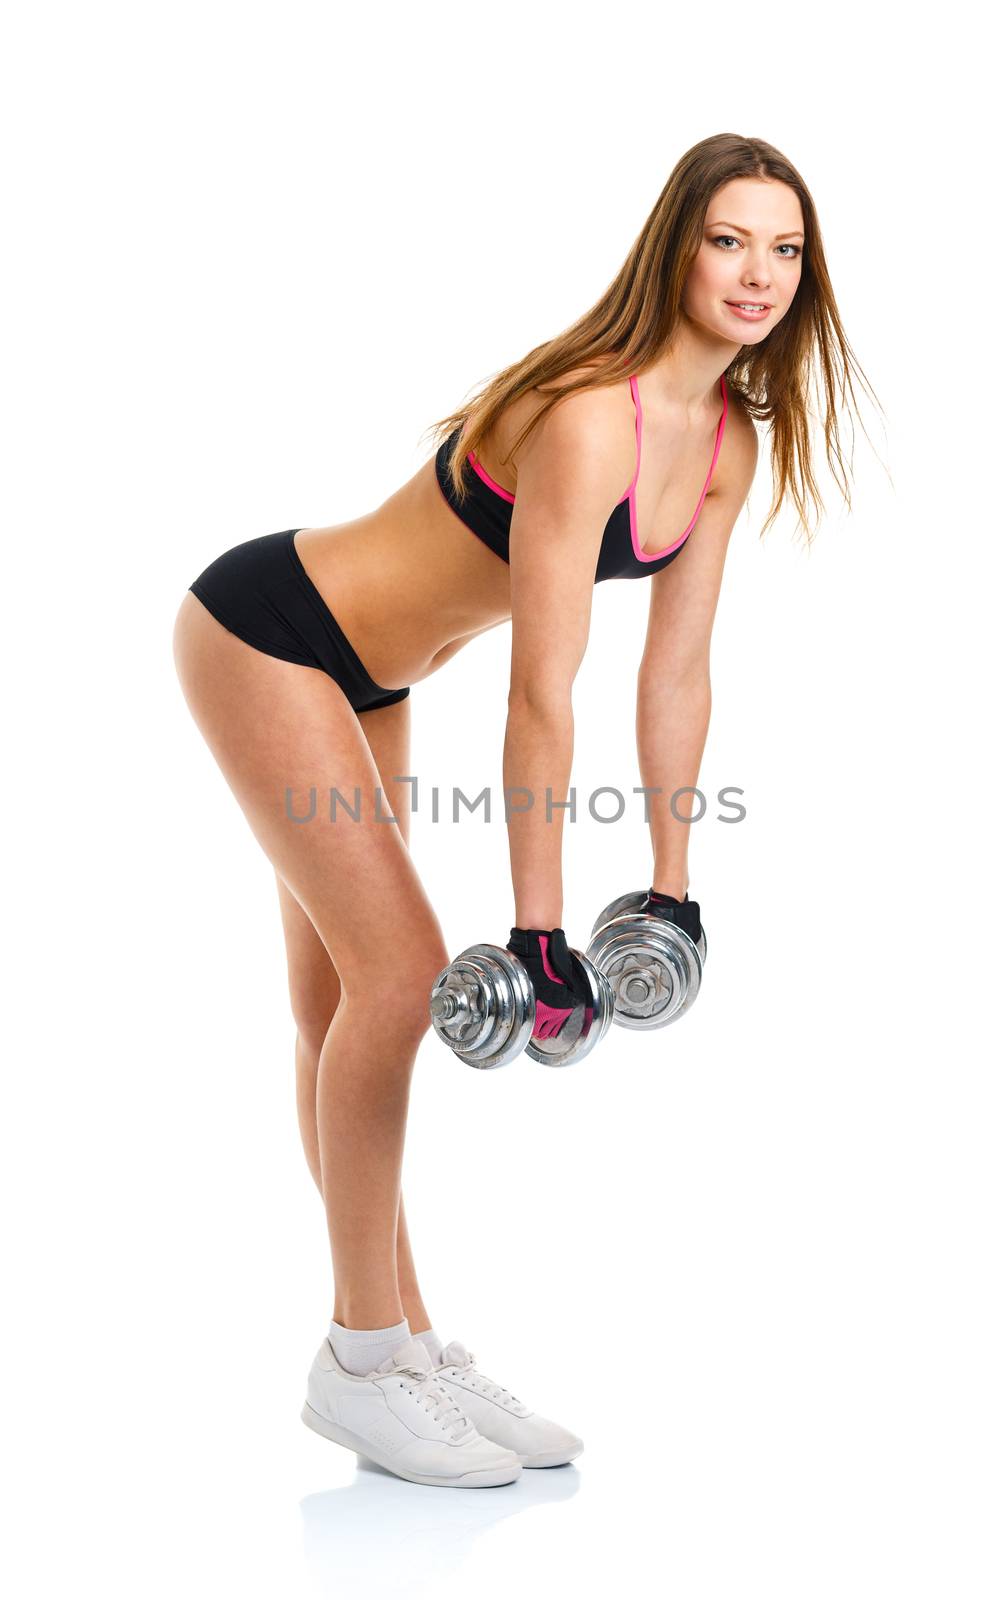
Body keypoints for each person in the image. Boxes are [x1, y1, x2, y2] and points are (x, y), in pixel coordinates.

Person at [171, 131, 878, 1489]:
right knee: (401, 981)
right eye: (730, 240)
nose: (759, 272)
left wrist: (667, 895)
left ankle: (406, 1349)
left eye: (785, 248)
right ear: (677, 248)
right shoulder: (587, 416)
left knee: (338, 1014)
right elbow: (544, 689)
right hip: (268, 634)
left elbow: (675, 676)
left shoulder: (727, 445)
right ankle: (360, 1358)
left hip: (371, 677)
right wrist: (539, 932)